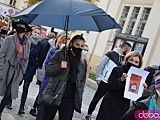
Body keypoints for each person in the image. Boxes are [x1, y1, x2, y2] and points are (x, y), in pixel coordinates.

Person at [41, 35, 87, 120]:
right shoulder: (60, 54)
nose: (79, 48)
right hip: (55, 92)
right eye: (77, 45)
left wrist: (80, 92)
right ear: (71, 44)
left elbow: (82, 79)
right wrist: (60, 66)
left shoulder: (82, 61)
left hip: (70, 98)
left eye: (81, 46)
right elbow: (48, 70)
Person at [84, 42, 131, 120]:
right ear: (125, 49)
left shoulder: (124, 59)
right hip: (105, 81)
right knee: (96, 99)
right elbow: (100, 65)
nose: (128, 52)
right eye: (128, 50)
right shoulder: (110, 54)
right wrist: (98, 77)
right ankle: (89, 113)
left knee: (107, 102)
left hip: (114, 83)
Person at [96, 51, 145, 120]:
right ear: (127, 60)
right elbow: (110, 86)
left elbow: (136, 98)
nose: (133, 63)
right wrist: (121, 80)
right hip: (110, 103)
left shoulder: (138, 76)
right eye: (131, 60)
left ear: (139, 65)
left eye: (136, 62)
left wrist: (142, 89)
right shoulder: (117, 69)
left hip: (123, 106)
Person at [0, 21, 32, 119]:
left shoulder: (28, 43)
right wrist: (1, 68)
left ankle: (0, 111)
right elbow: (1, 54)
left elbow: (26, 58)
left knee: (8, 93)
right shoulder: (9, 39)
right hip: (6, 67)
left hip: (17, 71)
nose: (19, 27)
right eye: (18, 26)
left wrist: (23, 73)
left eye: (22, 26)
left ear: (26, 29)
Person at [36, 35, 70, 120]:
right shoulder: (54, 51)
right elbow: (48, 67)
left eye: (68, 42)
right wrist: (59, 66)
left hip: (58, 88)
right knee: (43, 104)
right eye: (64, 42)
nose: (65, 44)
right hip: (49, 83)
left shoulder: (69, 56)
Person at [18, 26, 43, 115]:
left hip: (31, 66)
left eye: (38, 33)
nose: (36, 34)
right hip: (22, 64)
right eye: (34, 32)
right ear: (31, 32)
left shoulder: (40, 45)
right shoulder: (26, 41)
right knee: (16, 83)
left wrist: (36, 64)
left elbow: (40, 57)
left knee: (26, 87)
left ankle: (21, 107)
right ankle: (9, 100)